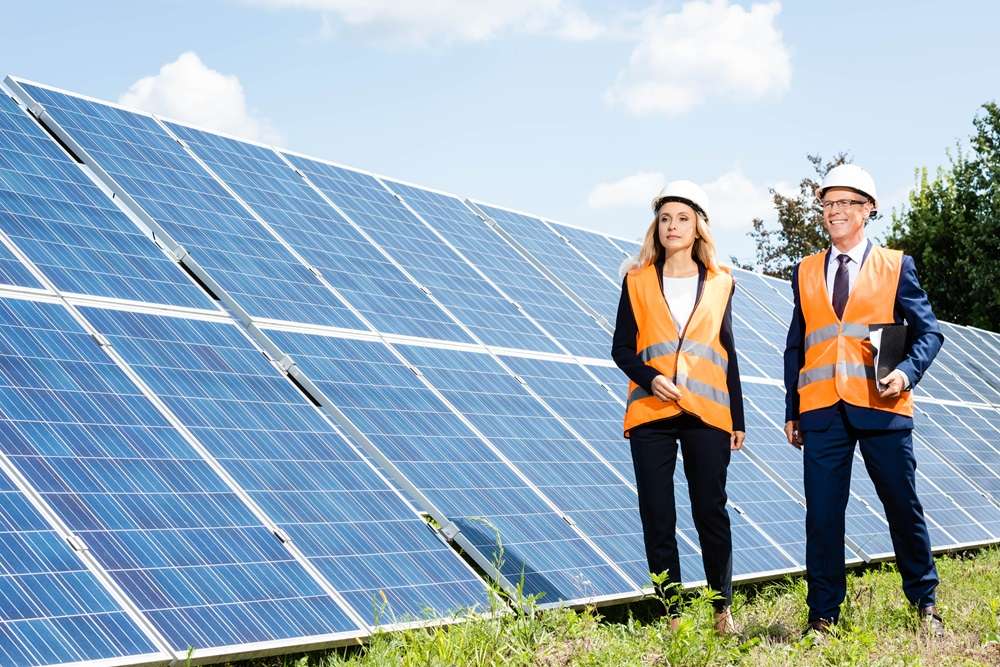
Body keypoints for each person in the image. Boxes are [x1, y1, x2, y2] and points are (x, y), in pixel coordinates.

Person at [783, 164, 945, 637]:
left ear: (868, 209)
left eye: (846, 203)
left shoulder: (896, 265)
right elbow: (799, 342)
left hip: (882, 406)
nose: (835, 212)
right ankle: (823, 616)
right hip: (821, 411)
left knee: (902, 504)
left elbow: (928, 332)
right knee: (823, 515)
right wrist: (792, 410)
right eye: (828, 204)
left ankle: (925, 603)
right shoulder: (806, 270)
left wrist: (907, 372)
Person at [613, 180, 746, 635]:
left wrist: (738, 419)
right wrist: (652, 378)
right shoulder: (636, 279)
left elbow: (727, 350)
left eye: (682, 218)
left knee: (711, 509)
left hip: (708, 415)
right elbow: (621, 349)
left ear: (699, 228)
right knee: (657, 512)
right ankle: (671, 612)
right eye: (665, 218)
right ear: (657, 227)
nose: (672, 226)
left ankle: (720, 609)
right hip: (651, 412)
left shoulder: (722, 281)